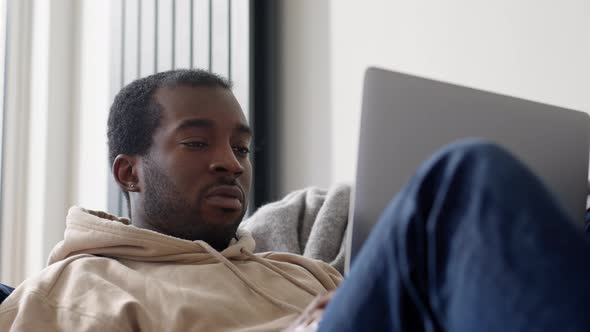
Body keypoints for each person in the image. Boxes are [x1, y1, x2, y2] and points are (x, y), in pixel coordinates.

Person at [1, 69, 589, 331]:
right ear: (129, 172)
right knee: (462, 179)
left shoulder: (295, 269)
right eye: (198, 142)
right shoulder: (77, 290)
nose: (231, 162)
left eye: (242, 147)